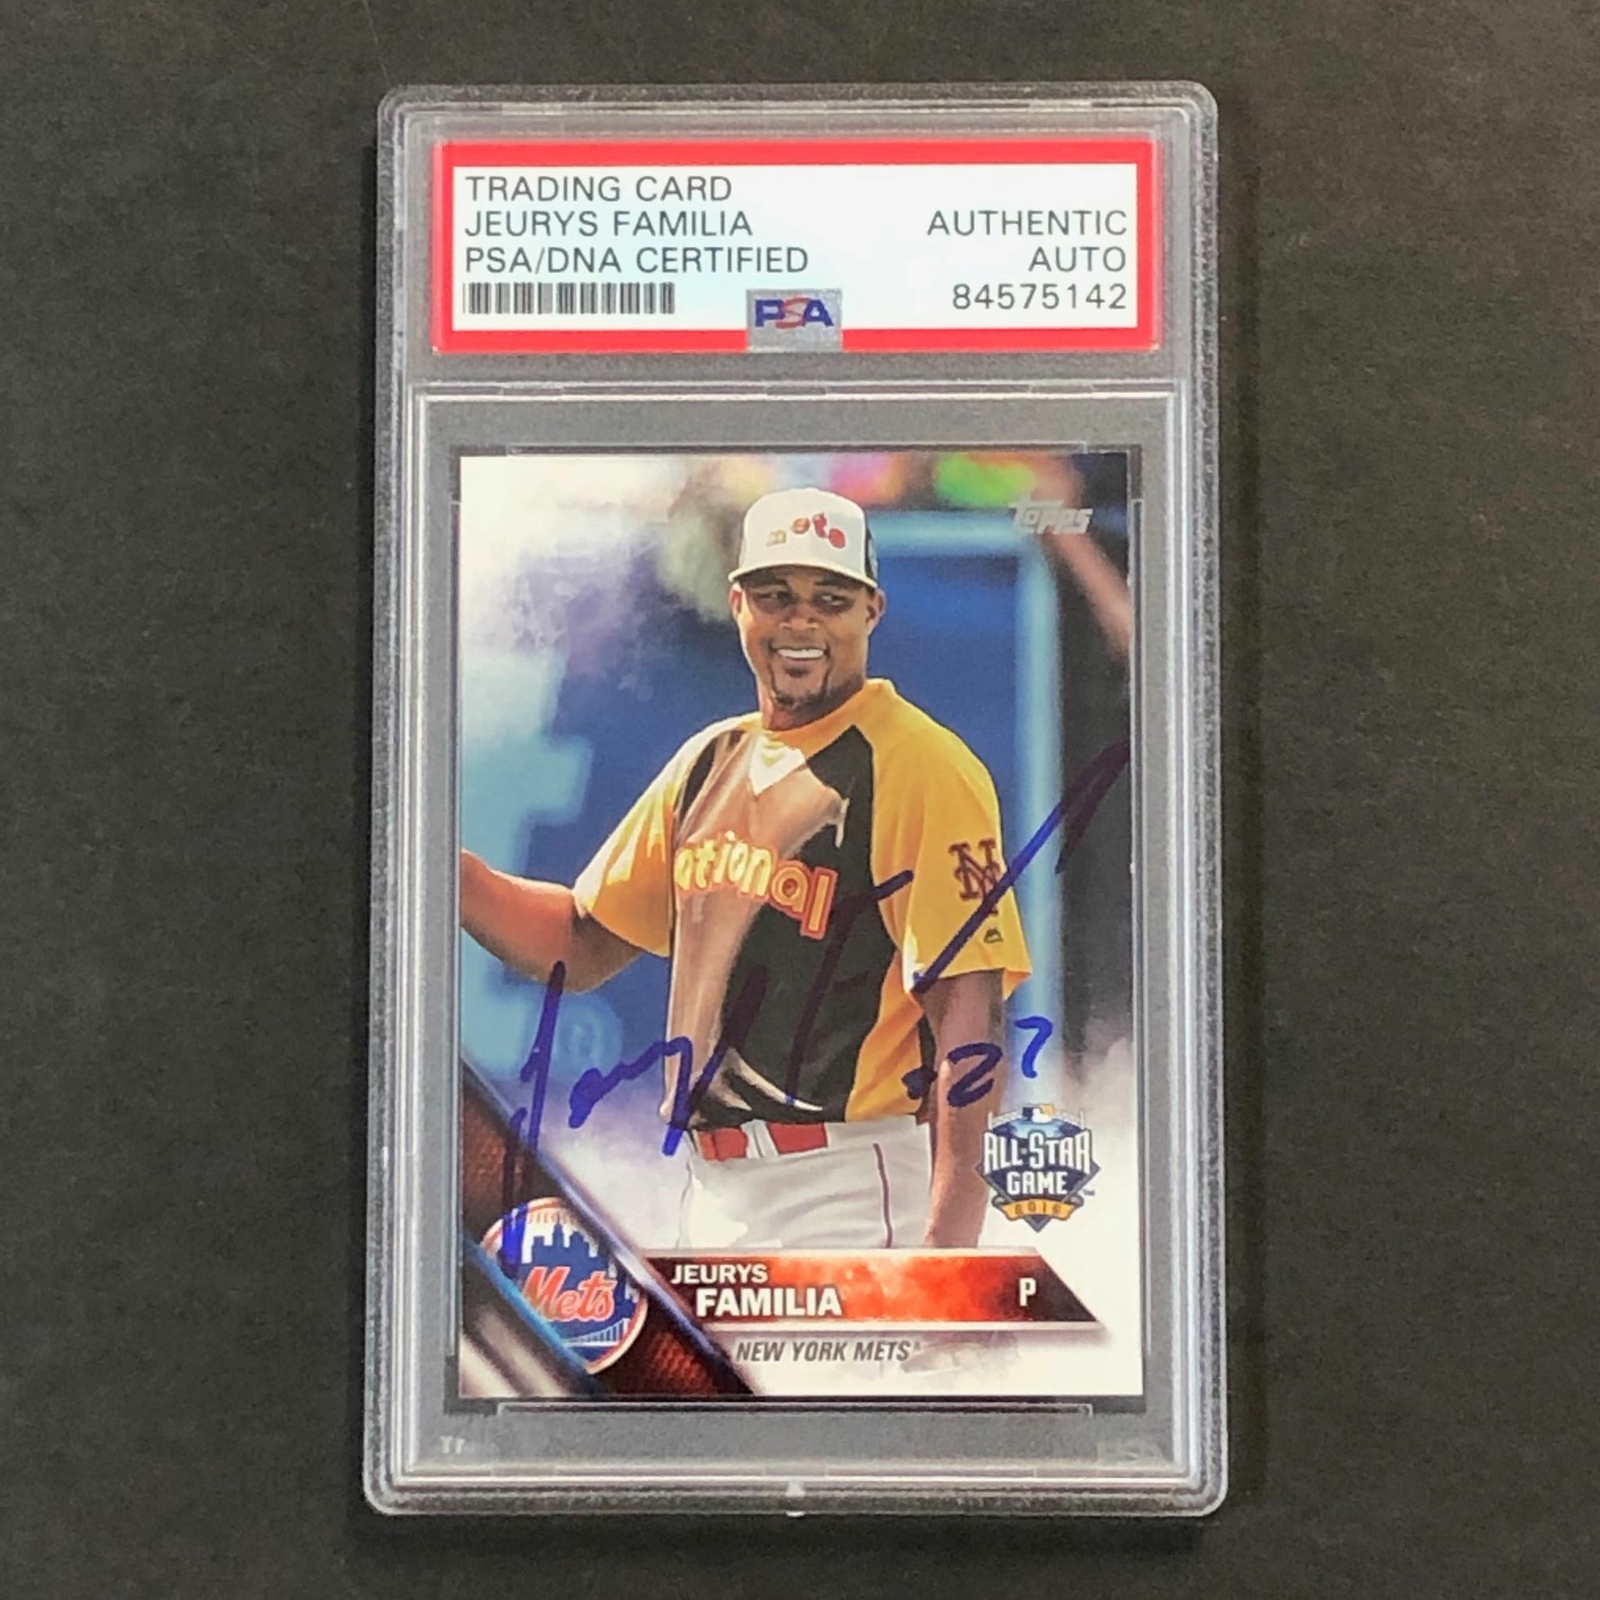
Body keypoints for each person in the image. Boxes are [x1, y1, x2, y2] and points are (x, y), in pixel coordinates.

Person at [461, 487, 1031, 1250]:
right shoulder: (709, 761)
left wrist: (950, 1248)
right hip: (711, 1191)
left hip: (850, 1186)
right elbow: (582, 940)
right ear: (737, 605)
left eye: (831, 599)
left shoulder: (920, 766)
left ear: (872, 611)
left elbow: (969, 1012)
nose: (801, 621)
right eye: (775, 595)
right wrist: (451, 877)